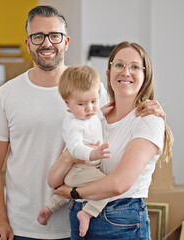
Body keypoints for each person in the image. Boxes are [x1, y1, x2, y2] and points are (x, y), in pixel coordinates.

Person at [0, 5, 166, 240]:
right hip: (24, 227)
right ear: (28, 44)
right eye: (38, 36)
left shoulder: (93, 89)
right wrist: (0, 221)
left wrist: (154, 108)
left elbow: (126, 113)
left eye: (54, 36)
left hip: (79, 223)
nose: (47, 43)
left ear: (66, 41)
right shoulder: (7, 94)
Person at [49, 41, 174, 240]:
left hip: (120, 220)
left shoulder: (149, 121)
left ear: (145, 75)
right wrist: (69, 156)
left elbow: (120, 183)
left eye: (134, 67)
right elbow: (55, 180)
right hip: (78, 217)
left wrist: (74, 192)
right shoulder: (93, 117)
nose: (126, 72)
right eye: (119, 65)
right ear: (108, 73)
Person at [37, 65, 111, 237]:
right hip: (80, 169)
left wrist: (103, 111)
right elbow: (75, 148)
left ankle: (47, 209)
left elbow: (97, 118)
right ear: (66, 103)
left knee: (68, 192)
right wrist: (94, 154)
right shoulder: (73, 123)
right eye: (82, 104)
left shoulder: (89, 114)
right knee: (106, 186)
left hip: (82, 171)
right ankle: (87, 213)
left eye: (94, 101)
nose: (90, 108)